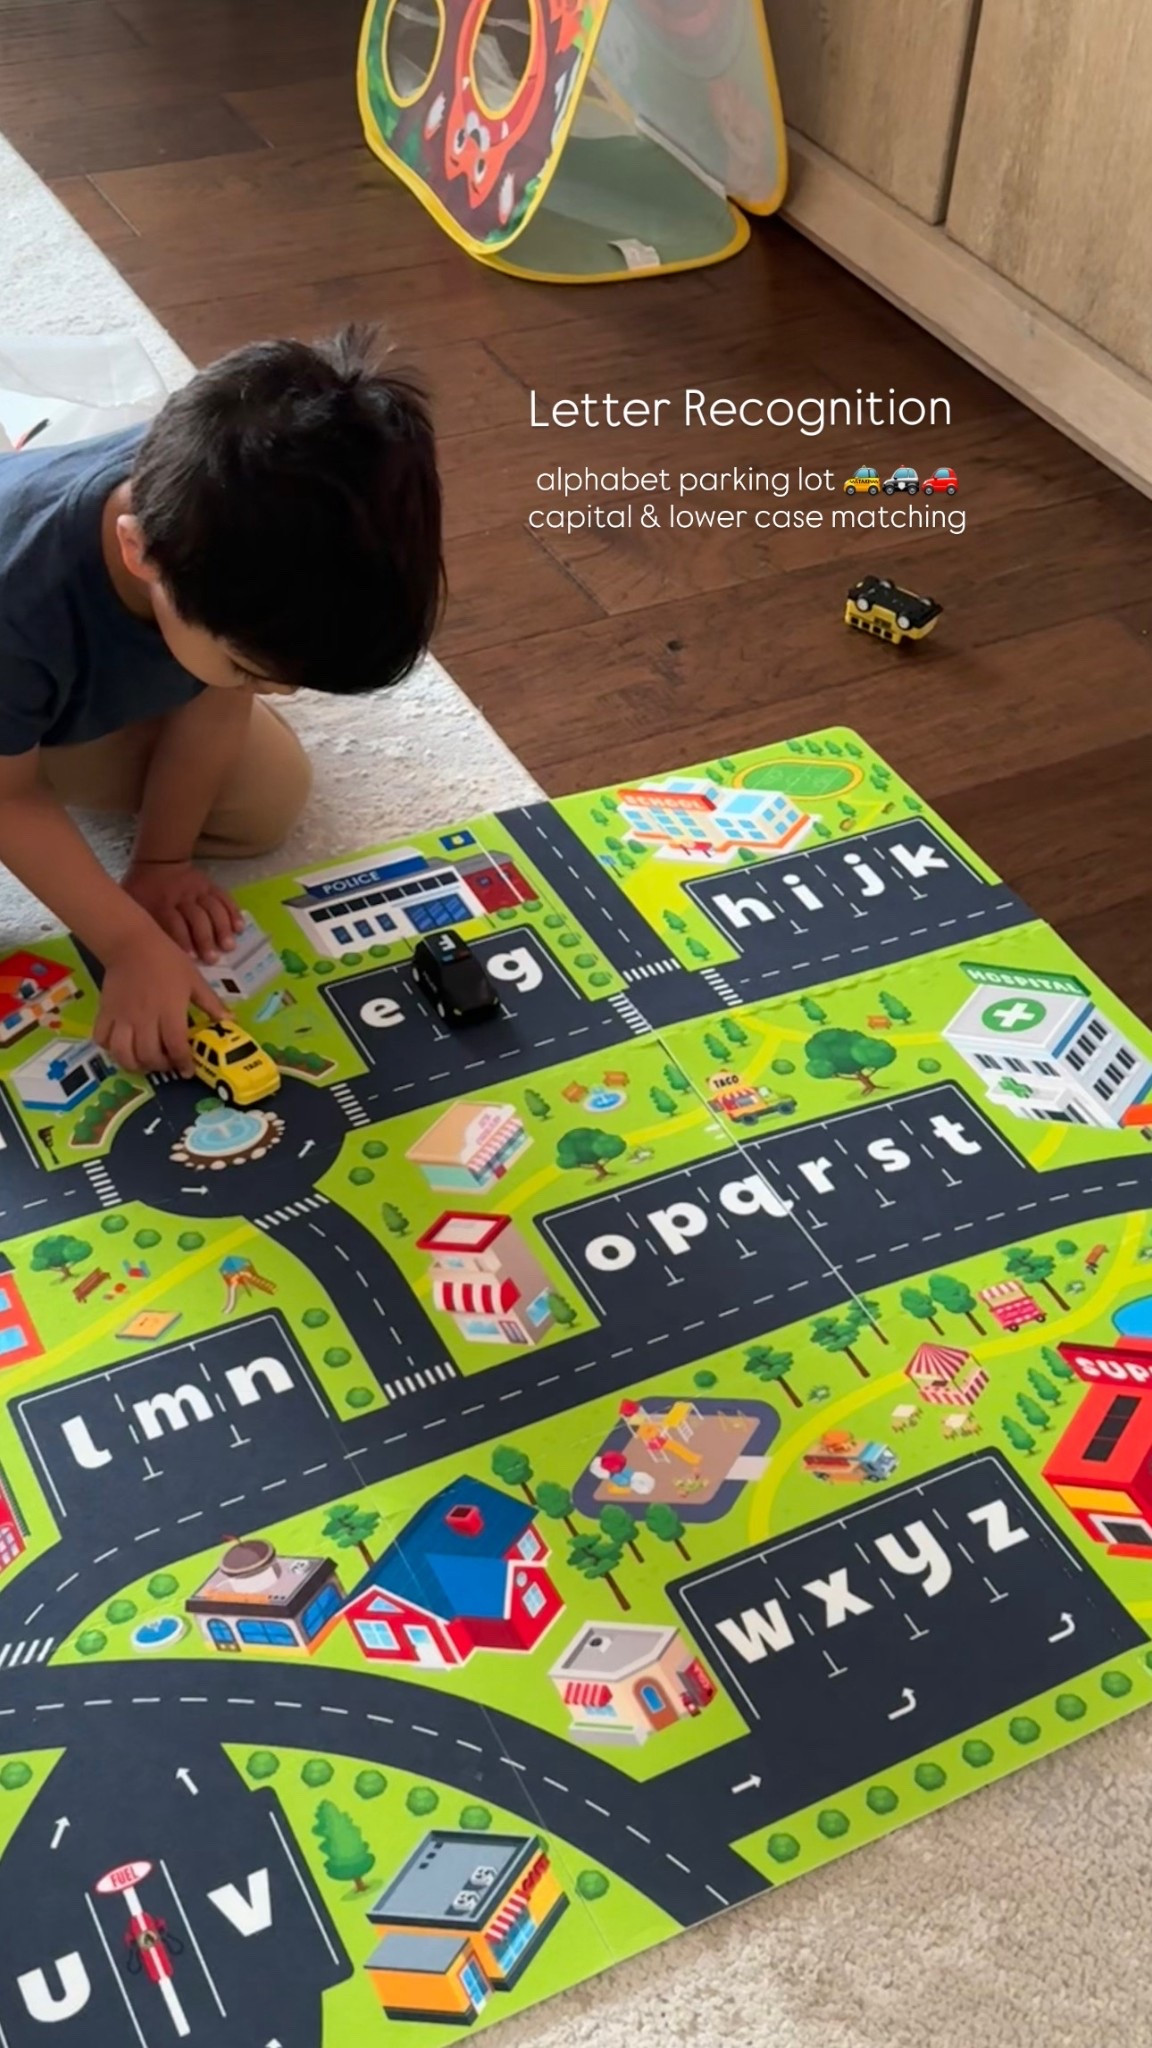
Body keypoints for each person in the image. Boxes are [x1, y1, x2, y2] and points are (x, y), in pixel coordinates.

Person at [0, 324, 443, 1078]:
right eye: (252, 668)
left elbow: (215, 697)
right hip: (23, 662)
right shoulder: (19, 601)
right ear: (142, 553)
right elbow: (8, 801)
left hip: (82, 673)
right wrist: (129, 943)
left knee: (266, 801)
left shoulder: (221, 504)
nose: (280, 693)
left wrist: (162, 860)